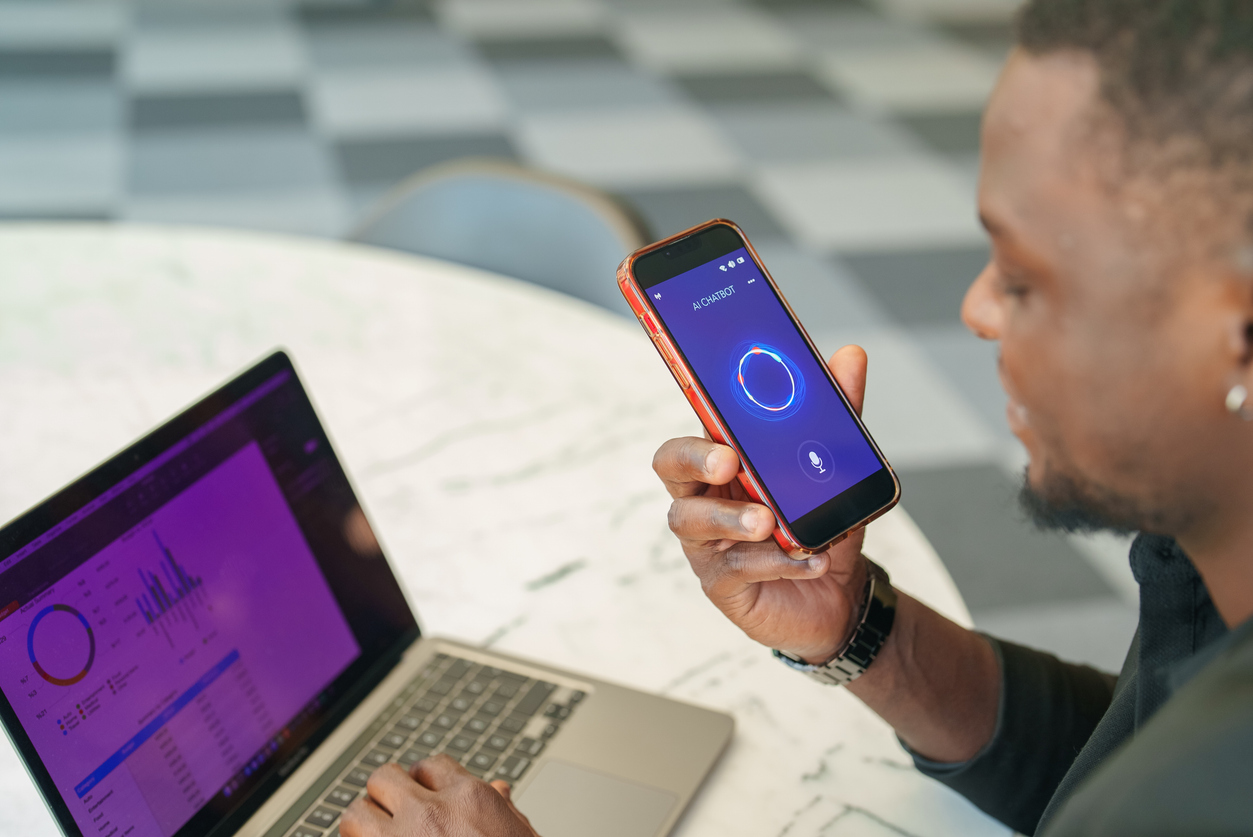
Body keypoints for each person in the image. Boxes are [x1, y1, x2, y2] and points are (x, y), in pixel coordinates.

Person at [339, 1, 1253, 834]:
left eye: (1021, 276)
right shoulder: (1206, 553)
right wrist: (854, 628)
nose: (977, 310)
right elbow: (1113, 756)